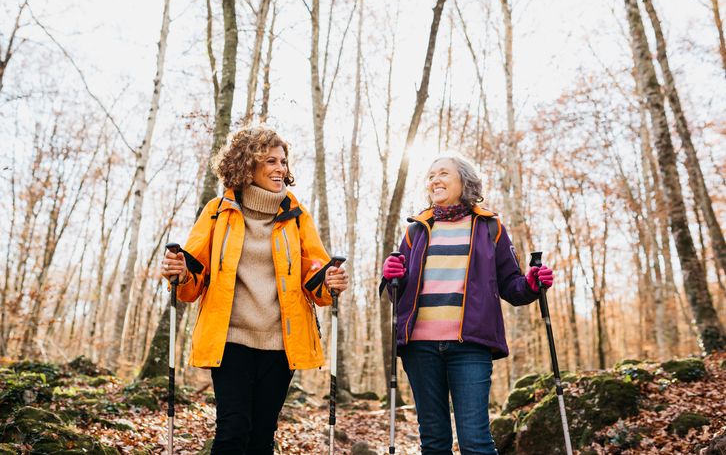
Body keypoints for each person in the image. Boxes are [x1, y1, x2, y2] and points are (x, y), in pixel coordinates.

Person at [161, 125, 348, 454]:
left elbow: (315, 277)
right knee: (233, 430)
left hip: (281, 344)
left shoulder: (296, 216)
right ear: (248, 165)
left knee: (262, 434)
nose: (281, 169)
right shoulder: (217, 212)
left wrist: (331, 282)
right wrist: (178, 271)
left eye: (283, 161)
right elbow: (192, 279)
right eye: (271, 161)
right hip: (231, 340)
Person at [381, 154, 553, 455]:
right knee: (434, 442)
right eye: (431, 175)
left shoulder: (489, 227)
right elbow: (399, 290)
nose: (434, 180)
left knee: (475, 440)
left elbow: (512, 286)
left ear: (464, 180)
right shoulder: (416, 230)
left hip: (470, 345)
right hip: (420, 347)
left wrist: (531, 283)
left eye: (443, 173)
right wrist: (392, 277)